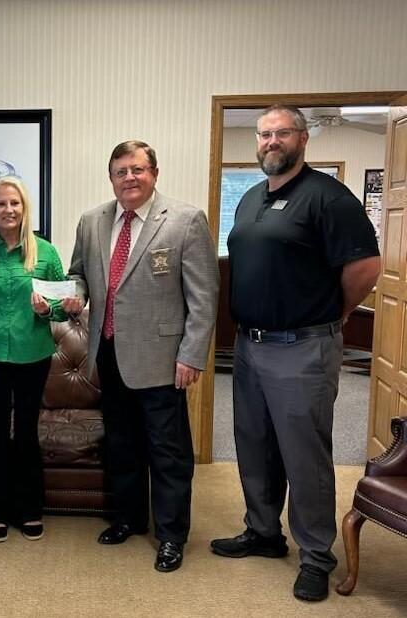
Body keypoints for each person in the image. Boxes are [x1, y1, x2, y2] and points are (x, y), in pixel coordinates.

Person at [211, 105, 381, 602]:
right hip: (249, 345)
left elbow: (366, 267)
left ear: (303, 139)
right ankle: (263, 533)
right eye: (264, 134)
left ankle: (315, 556)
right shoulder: (248, 199)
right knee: (255, 445)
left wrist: (335, 313)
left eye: (281, 133)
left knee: (305, 456)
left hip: (304, 348)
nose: (270, 141)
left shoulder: (329, 197)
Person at [63, 140, 219, 572]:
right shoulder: (92, 221)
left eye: (137, 170)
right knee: (122, 446)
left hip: (163, 359)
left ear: (154, 172)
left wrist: (191, 355)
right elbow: (78, 275)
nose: (129, 178)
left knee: (168, 453)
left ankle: (171, 536)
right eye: (120, 172)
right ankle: (128, 519)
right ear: (110, 177)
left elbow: (204, 298)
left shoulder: (185, 221)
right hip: (108, 352)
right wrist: (75, 297)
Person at [0, 177, 67, 543]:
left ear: (25, 209)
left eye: (15, 204)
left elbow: (63, 307)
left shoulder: (46, 253)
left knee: (26, 433)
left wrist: (46, 308)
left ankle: (30, 508)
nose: (9, 210)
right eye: (1, 204)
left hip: (33, 355)